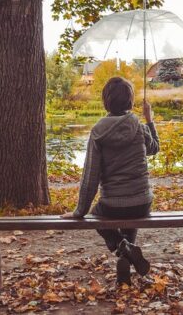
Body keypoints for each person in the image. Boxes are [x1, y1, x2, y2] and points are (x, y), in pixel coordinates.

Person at [62, 77, 159, 285]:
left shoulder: (98, 132)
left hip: (113, 205)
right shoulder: (139, 127)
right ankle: (126, 259)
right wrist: (149, 120)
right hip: (143, 203)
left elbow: (90, 177)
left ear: (106, 101)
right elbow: (154, 149)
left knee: (96, 215)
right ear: (130, 101)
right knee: (130, 210)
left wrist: (80, 212)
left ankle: (122, 247)